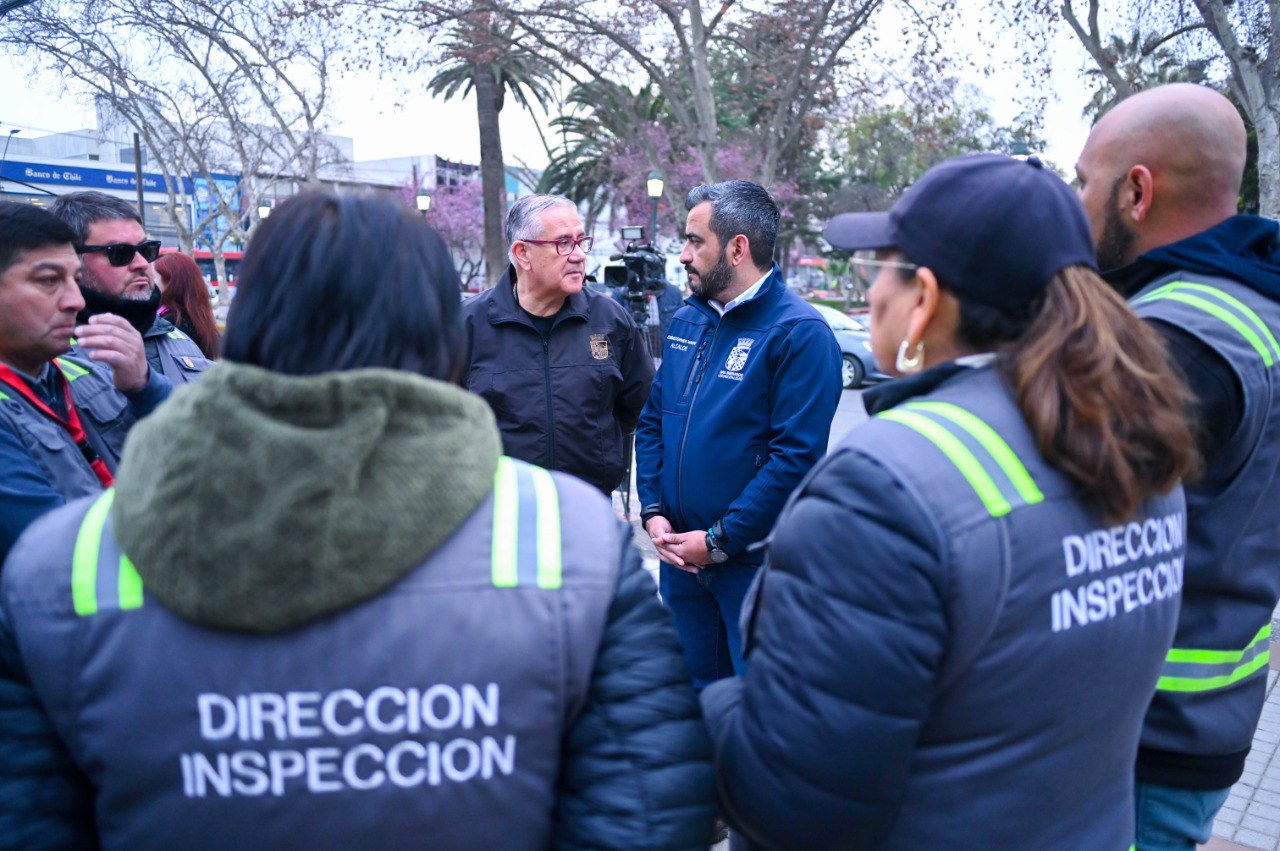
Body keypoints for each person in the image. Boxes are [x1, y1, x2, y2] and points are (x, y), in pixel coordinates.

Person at [0, 191, 714, 849]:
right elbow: (647, 814)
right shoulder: (568, 537)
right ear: (445, 335)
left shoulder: (60, 566)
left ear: (253, 322)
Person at [701, 154, 1199, 848]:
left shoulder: (884, 485)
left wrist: (698, 705)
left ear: (925, 298)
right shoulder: (1138, 448)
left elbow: (792, 797)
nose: (870, 292)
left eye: (879, 269)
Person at [1075, 83, 1280, 850]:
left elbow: (1045, 508)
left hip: (1141, 735)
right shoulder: (1247, 304)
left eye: (1084, 179)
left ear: (1136, 190)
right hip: (1193, 721)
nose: (1074, 200)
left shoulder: (1179, 336)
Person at [635, 180, 842, 689]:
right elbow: (653, 420)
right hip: (680, 563)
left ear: (737, 248)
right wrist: (654, 510)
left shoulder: (799, 334)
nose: (683, 255)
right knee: (692, 707)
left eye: (694, 241)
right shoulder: (688, 320)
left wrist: (721, 541)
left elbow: (795, 459)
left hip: (751, 570)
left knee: (753, 711)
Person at [0, 203, 170, 562]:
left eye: (74, 280)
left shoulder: (84, 369)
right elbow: (59, 553)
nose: (75, 301)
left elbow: (198, 445)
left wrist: (144, 386)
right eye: (49, 281)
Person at [462, 194, 654, 497]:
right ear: (522, 253)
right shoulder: (467, 326)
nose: (578, 255)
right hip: (496, 513)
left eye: (581, 241)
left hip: (588, 509)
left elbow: (637, 408)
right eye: (564, 243)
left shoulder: (611, 321)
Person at [49, 191, 212, 385]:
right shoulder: (45, 357)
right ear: (71, 260)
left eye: (146, 249)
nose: (142, 263)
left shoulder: (177, 339)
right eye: (119, 253)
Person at [155, 252, 220, 360]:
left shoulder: (172, 324)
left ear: (171, 282)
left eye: (153, 277)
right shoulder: (197, 317)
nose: (146, 282)